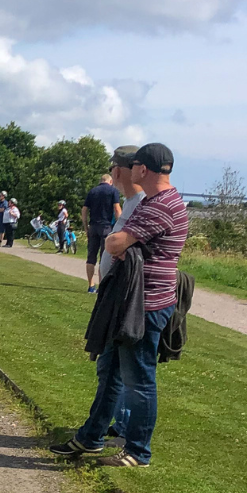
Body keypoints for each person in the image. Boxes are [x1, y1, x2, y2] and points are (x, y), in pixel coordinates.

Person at [51, 143, 187, 468]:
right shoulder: (162, 200)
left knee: (139, 380)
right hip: (132, 299)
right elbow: (120, 244)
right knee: (111, 370)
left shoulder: (158, 206)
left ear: (141, 169)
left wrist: (123, 243)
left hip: (143, 304)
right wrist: (124, 244)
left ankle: (138, 452)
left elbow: (114, 242)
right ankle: (91, 437)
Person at [97, 145, 145, 440]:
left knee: (119, 370)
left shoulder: (140, 205)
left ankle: (112, 429)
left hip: (126, 298)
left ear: (118, 171)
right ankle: (120, 424)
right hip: (115, 294)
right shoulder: (129, 203)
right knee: (114, 368)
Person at [82, 174, 123, 293]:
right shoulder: (113, 191)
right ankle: (102, 285)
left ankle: (90, 285)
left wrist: (86, 226)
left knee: (91, 257)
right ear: (110, 181)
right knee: (104, 257)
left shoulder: (92, 191)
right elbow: (117, 209)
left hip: (93, 226)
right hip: (106, 227)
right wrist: (120, 226)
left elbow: (84, 210)